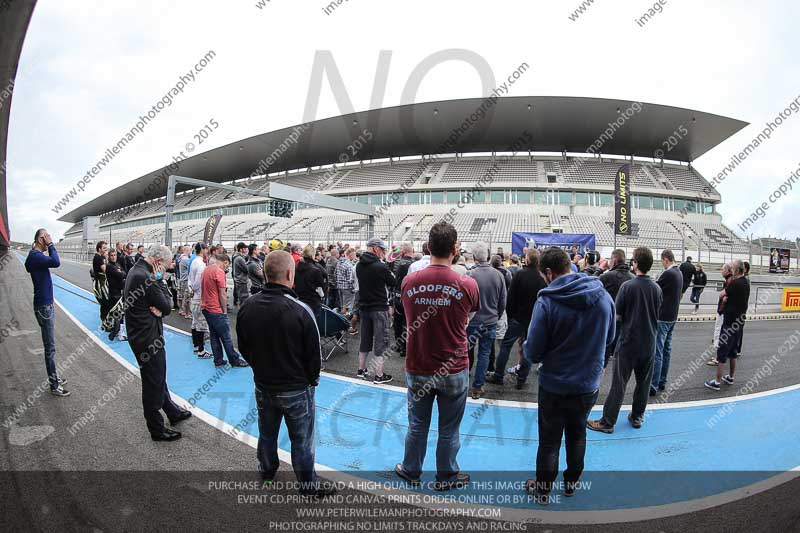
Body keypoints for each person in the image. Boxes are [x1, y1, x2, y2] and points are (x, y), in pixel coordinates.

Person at [236, 250, 335, 497]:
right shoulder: (301, 310)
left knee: (267, 432)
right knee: (301, 439)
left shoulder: (248, 306)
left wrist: (260, 370)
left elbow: (243, 347)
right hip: (295, 388)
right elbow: (314, 357)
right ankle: (307, 486)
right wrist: (310, 381)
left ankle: (267, 470)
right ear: (290, 274)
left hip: (264, 384)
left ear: (265, 273)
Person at [523, 247, 615, 504]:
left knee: (549, 442)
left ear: (550, 273)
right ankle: (571, 484)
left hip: (554, 384)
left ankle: (542, 491)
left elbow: (533, 351)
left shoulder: (547, 301)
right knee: (577, 435)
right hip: (587, 384)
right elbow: (610, 338)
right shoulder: (603, 296)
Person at [395, 222, 479, 491]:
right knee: (449, 429)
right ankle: (446, 477)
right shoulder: (467, 284)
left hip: (418, 364)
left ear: (429, 247)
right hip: (453, 368)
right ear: (455, 249)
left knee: (417, 424)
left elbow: (408, 316)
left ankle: (411, 470)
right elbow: (469, 317)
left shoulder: (410, 281)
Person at [588, 247, 663, 433]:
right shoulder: (657, 288)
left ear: (635, 263)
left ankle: (607, 421)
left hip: (629, 342)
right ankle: (637, 416)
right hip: (649, 342)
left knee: (619, 384)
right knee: (643, 384)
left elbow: (618, 316)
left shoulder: (627, 287)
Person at [124, 244, 191, 441]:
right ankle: (156, 429)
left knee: (158, 377)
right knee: (153, 381)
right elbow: (168, 305)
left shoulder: (136, 270)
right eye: (166, 266)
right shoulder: (148, 277)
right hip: (147, 337)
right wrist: (160, 281)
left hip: (141, 334)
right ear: (157, 262)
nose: (168, 269)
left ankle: (172, 411)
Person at [486, 248, 547, 389]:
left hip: (518, 318)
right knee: (527, 348)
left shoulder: (520, 274)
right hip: (533, 320)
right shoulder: (542, 277)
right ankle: (521, 379)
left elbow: (511, 298)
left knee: (506, 346)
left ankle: (499, 375)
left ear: (527, 259)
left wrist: (512, 315)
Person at [24, 229, 69, 396]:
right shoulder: (36, 256)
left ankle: (54, 377)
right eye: (47, 236)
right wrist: (50, 244)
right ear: (41, 239)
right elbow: (56, 262)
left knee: (51, 347)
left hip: (44, 305)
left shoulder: (34, 256)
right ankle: (54, 386)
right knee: (50, 348)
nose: (50, 239)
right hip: (44, 307)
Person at [466, 242, 506, 399]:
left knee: (465, 352)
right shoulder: (498, 275)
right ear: (488, 255)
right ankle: (477, 387)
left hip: (472, 321)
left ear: (475, 257)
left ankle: (462, 383)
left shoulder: (469, 275)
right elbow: (503, 301)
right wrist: (496, 315)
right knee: (484, 353)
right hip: (490, 321)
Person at [705, 260, 750, 391]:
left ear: (736, 270)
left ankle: (717, 382)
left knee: (722, 353)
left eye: (732, 268)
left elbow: (721, 294)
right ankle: (730, 377)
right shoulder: (746, 283)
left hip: (729, 323)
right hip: (739, 323)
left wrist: (725, 298)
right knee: (733, 353)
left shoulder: (735, 283)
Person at [355, 237, 395, 383]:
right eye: (383, 250)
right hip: (379, 308)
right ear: (376, 248)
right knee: (381, 341)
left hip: (364, 307)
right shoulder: (380, 266)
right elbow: (393, 282)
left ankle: (361, 369)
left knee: (365, 339)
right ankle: (379, 375)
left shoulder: (359, 265)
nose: (384, 252)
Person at [199, 253, 248, 368]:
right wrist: (224, 310)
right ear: (225, 262)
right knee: (226, 336)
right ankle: (234, 360)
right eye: (227, 266)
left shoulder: (206, 270)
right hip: (216, 309)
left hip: (206, 307)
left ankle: (218, 359)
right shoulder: (219, 272)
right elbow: (222, 293)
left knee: (214, 335)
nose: (227, 268)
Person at [651, 249, 683, 396]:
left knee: (658, 352)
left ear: (665, 259)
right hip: (673, 316)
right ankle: (662, 381)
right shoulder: (679, 272)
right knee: (666, 351)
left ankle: (653, 384)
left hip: (663, 316)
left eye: (662, 261)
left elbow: (654, 288)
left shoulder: (669, 273)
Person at [599, 249, 634, 368]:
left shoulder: (606, 276)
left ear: (614, 260)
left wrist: (600, 269)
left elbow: (589, 284)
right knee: (620, 359)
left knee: (604, 355)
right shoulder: (633, 278)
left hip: (609, 320)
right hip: (627, 322)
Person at [189, 242, 212, 359]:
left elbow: (191, 279)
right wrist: (195, 289)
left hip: (194, 296)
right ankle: (201, 350)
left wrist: (192, 289)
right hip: (199, 296)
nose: (207, 250)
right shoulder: (201, 264)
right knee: (201, 324)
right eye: (206, 249)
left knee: (195, 322)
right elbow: (199, 281)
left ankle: (196, 346)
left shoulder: (193, 261)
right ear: (202, 250)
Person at [391, 242, 414, 357]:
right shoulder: (414, 264)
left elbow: (393, 281)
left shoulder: (397, 262)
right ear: (412, 251)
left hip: (397, 296)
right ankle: (405, 347)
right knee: (407, 322)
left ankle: (399, 345)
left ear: (403, 252)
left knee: (397, 321)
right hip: (408, 296)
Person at [707, 263, 733, 366]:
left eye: (723, 269)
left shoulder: (730, 281)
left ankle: (718, 358)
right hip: (723, 311)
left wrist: (722, 307)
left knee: (718, 333)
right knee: (719, 332)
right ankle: (719, 356)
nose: (721, 271)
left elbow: (726, 296)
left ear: (727, 271)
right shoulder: (728, 280)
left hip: (723, 312)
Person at [295, 245, 326, 323]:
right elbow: (320, 286)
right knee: (314, 324)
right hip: (313, 301)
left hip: (300, 299)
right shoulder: (316, 270)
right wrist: (322, 295)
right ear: (313, 254)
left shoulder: (297, 268)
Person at [106, 249, 127, 341]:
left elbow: (124, 272)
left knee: (120, 314)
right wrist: (120, 272)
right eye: (112, 255)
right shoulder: (110, 266)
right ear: (109, 257)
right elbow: (122, 275)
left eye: (115, 255)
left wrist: (121, 272)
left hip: (119, 292)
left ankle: (118, 332)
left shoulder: (117, 265)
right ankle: (117, 333)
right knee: (119, 314)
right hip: (114, 294)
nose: (114, 257)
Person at [92, 241, 112, 331]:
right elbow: (105, 270)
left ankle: (106, 322)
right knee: (105, 302)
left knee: (106, 302)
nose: (106, 249)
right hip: (100, 283)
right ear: (99, 249)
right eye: (104, 248)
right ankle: (105, 323)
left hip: (104, 282)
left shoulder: (102, 257)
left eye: (106, 248)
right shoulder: (98, 258)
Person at [335, 248, 356, 314]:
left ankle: (340, 320)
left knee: (342, 305)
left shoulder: (339, 262)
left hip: (339, 286)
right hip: (347, 288)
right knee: (347, 307)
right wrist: (353, 289)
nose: (355, 256)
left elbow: (335, 273)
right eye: (354, 255)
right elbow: (350, 279)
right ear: (351, 255)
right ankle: (344, 322)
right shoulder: (349, 265)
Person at [232, 242, 250, 307]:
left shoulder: (238, 257)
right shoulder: (239, 258)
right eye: (245, 248)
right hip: (241, 281)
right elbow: (247, 269)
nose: (246, 250)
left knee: (242, 298)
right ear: (241, 249)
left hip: (240, 280)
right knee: (243, 299)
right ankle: (243, 314)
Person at [178, 245, 192, 318]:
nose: (191, 252)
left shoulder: (180, 258)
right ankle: (187, 313)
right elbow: (191, 267)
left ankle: (181, 310)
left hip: (182, 278)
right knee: (187, 297)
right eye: (190, 250)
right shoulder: (186, 259)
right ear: (187, 251)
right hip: (186, 279)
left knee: (181, 295)